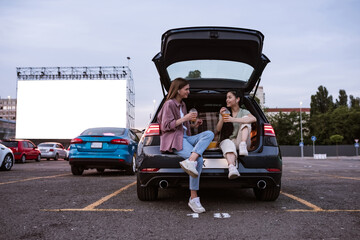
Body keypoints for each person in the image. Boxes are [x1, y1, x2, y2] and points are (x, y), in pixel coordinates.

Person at [157, 78, 214, 213]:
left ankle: (190, 160)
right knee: (199, 160)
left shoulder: (183, 105)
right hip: (175, 139)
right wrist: (185, 118)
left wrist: (194, 125)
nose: (189, 91)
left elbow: (183, 127)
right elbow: (165, 126)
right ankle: (193, 199)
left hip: (186, 137)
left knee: (209, 134)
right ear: (178, 90)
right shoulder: (169, 104)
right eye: (186, 89)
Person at [216, 90, 256, 179]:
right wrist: (222, 118)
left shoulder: (243, 112)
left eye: (229, 97)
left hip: (241, 142)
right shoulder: (225, 112)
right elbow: (218, 129)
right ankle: (232, 167)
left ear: (237, 99)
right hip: (228, 142)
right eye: (226, 98)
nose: (227, 100)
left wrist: (233, 119)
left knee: (246, 119)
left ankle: (243, 144)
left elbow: (254, 119)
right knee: (228, 143)